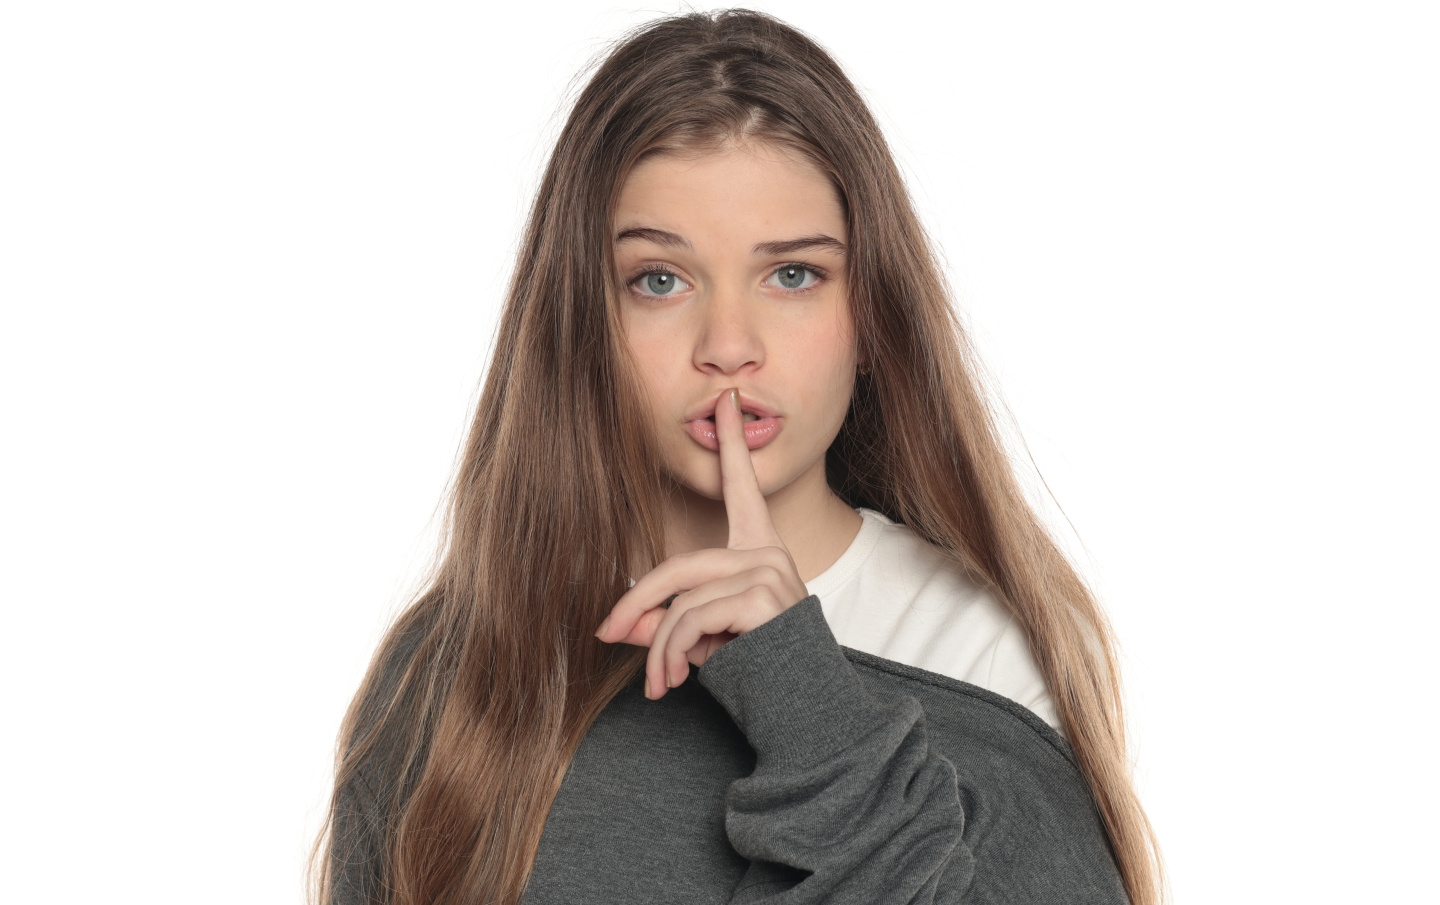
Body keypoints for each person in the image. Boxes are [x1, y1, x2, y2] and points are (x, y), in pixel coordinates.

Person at [310, 9, 1165, 905]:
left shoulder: (978, 648)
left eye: (793, 275)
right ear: (584, 329)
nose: (727, 345)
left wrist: (800, 692)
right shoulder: (457, 671)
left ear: (872, 317)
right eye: (659, 280)